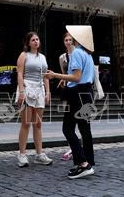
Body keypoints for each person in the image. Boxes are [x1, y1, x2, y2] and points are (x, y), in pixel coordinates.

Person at [45, 26, 96, 179]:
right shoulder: (88, 54)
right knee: (85, 129)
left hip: (77, 94)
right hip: (86, 94)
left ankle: (83, 164)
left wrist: (55, 75)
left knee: (67, 129)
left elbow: (76, 77)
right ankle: (88, 162)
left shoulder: (76, 53)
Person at [15, 31, 54, 168]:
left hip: (40, 89)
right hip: (27, 87)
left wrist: (48, 92)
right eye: (33, 40)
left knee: (38, 124)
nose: (36, 42)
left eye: (37, 39)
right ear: (28, 42)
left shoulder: (43, 57)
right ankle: (22, 154)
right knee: (26, 123)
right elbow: (19, 73)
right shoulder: (24, 55)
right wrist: (21, 91)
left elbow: (45, 75)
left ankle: (39, 154)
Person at [58, 33, 73, 162]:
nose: (68, 42)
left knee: (80, 120)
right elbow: (64, 73)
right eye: (66, 40)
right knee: (68, 121)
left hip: (78, 90)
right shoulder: (62, 57)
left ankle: (78, 148)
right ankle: (72, 147)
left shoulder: (78, 54)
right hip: (68, 90)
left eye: (70, 40)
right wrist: (62, 80)